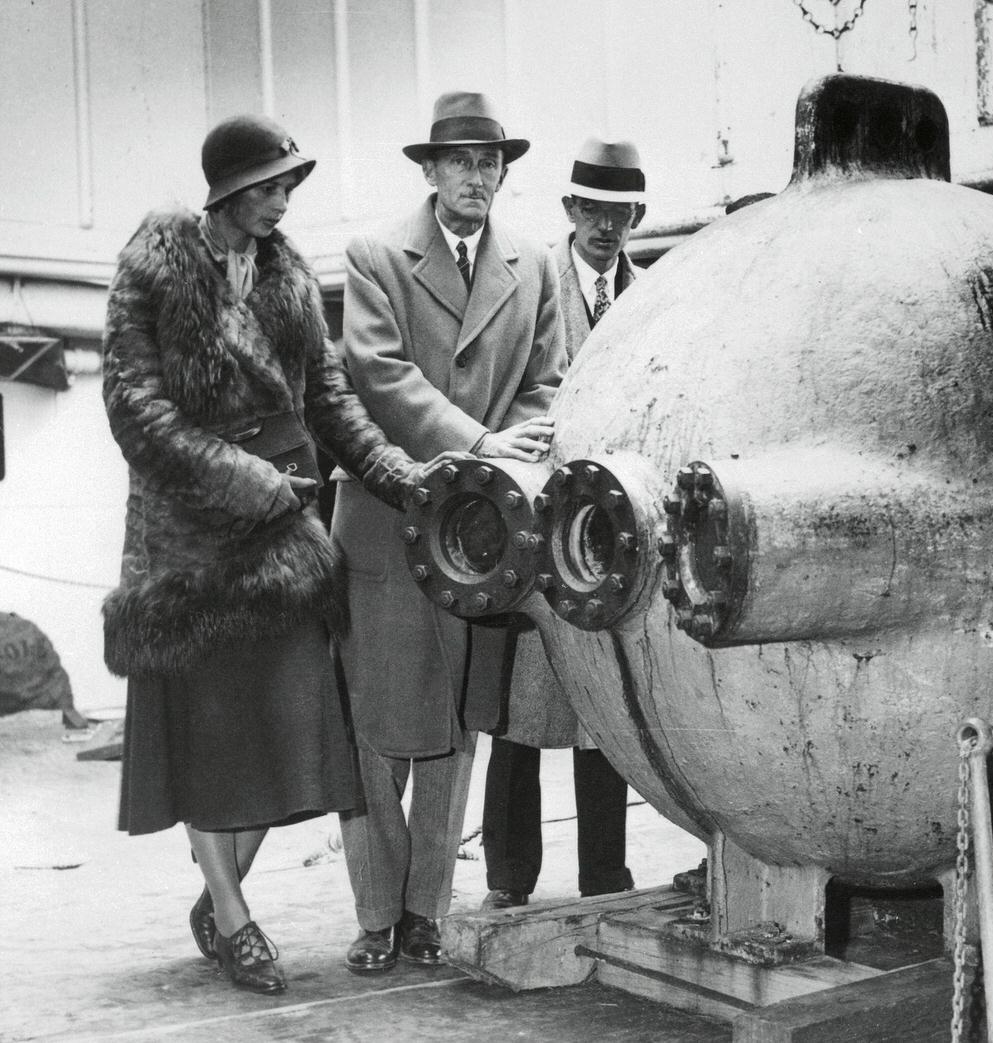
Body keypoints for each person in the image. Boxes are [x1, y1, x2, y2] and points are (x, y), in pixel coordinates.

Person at [101, 115, 449, 996]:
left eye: (289, 185)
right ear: (225, 191)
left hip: (284, 542)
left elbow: (331, 398)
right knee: (213, 748)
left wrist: (401, 475)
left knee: (295, 735)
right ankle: (237, 920)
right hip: (192, 549)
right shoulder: (154, 269)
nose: (283, 200)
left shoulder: (289, 274)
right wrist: (246, 477)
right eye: (268, 187)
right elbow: (134, 409)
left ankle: (220, 897)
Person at [332, 91, 567, 975]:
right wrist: (476, 443)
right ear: (429, 171)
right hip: (389, 520)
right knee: (377, 729)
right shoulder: (374, 256)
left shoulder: (534, 263)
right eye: (463, 161)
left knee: (455, 726)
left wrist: (509, 454)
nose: (482, 175)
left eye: (493, 160)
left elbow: (548, 382)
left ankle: (425, 909)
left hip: (480, 530)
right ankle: (373, 910)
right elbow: (378, 374)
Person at [478, 137, 647, 912]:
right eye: (593, 210)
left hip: (608, 532)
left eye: (621, 212)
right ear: (569, 211)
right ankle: (508, 878)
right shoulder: (530, 281)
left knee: (605, 712)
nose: (606, 227)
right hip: (535, 522)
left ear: (635, 216)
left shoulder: (648, 297)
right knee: (521, 713)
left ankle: (604, 875)